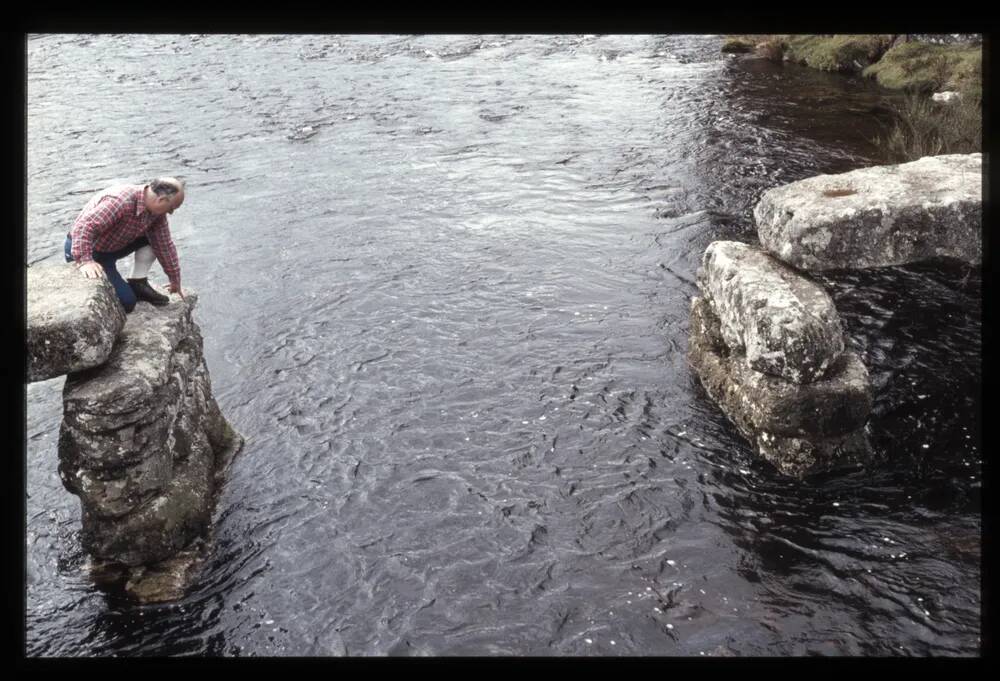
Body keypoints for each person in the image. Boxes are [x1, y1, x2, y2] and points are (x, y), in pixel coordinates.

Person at [64, 177, 185, 313]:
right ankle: (121, 285)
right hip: (85, 248)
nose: (171, 213)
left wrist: (174, 280)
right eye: (171, 208)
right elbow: (83, 227)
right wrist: (85, 260)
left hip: (110, 247)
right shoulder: (120, 201)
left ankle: (137, 282)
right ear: (161, 200)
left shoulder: (156, 214)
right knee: (127, 303)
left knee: (154, 241)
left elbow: (165, 246)